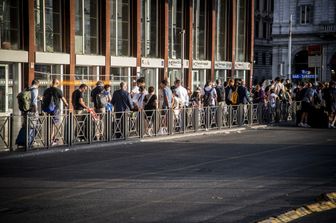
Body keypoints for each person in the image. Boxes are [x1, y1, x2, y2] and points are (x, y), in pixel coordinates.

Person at [42, 78, 68, 145]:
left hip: (48, 109)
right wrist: (66, 104)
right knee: (53, 124)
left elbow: (43, 99)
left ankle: (52, 138)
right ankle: (51, 140)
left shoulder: (47, 90)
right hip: (55, 109)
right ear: (57, 83)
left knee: (50, 123)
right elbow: (63, 99)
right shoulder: (58, 90)